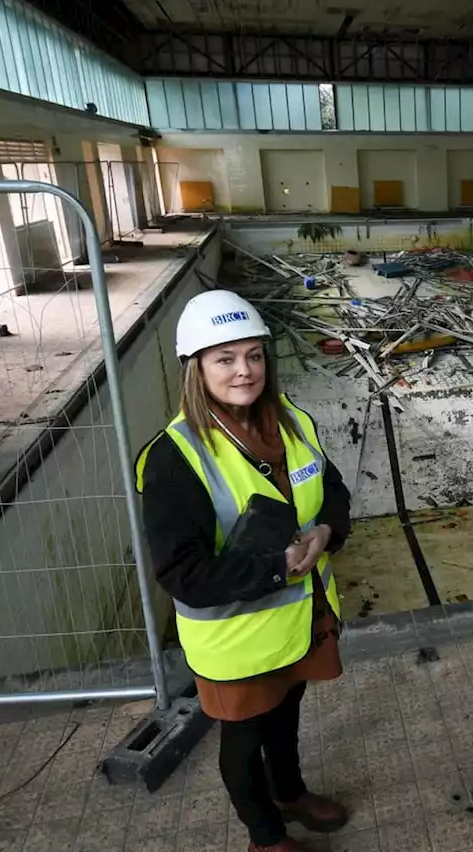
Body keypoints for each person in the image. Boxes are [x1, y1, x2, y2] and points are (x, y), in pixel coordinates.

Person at [135, 290, 352, 851]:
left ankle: (290, 792)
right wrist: (279, 568)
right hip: (237, 637)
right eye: (224, 359)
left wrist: (326, 531)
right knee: (244, 736)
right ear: (196, 369)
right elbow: (183, 574)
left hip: (300, 618)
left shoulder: (293, 420)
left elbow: (333, 492)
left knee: (288, 710)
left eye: (254, 355)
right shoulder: (174, 457)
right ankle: (265, 836)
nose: (244, 371)